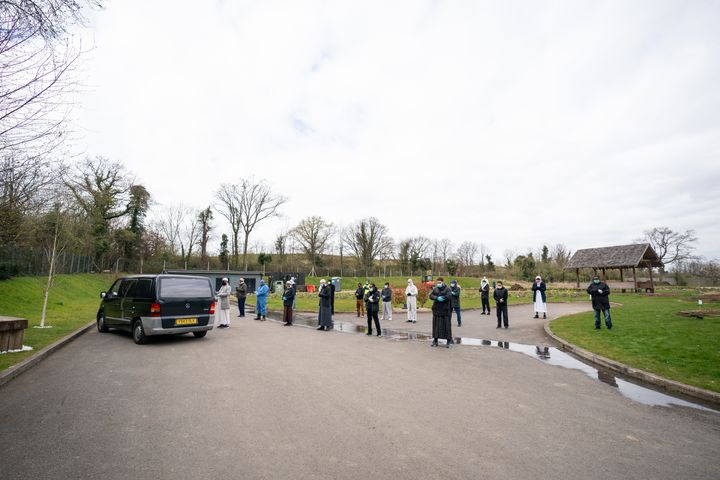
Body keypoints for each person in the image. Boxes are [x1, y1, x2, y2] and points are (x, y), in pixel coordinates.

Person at [429, 277, 453, 347]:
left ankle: (448, 340)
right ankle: (435, 340)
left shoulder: (448, 289)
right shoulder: (435, 289)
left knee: (446, 325)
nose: (438, 284)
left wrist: (443, 298)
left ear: (443, 282)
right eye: (437, 282)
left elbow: (449, 296)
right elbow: (430, 295)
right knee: (436, 325)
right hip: (437, 310)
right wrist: (436, 298)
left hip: (445, 310)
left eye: (440, 282)